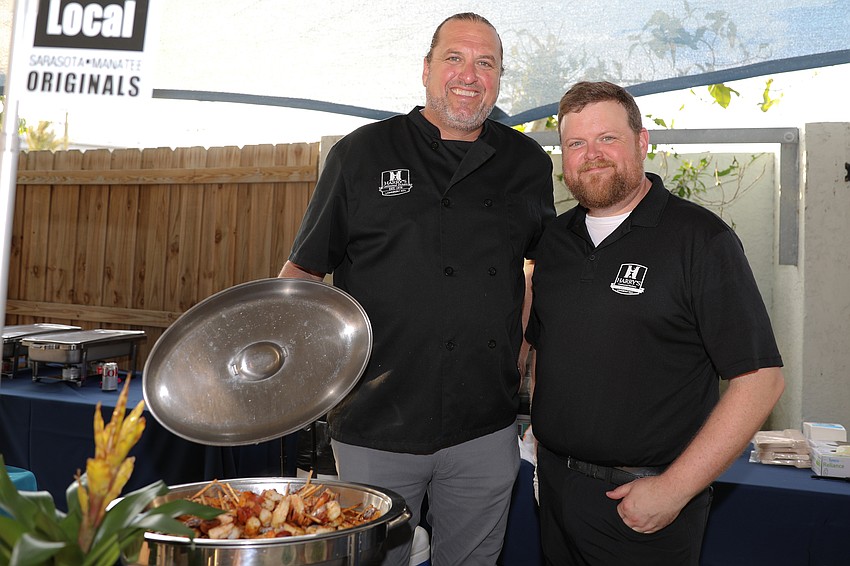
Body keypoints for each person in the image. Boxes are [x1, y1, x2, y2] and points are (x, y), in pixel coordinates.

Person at [278, 12, 555, 566]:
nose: (469, 74)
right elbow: (301, 277)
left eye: (486, 63)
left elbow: (536, 270)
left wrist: (519, 355)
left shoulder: (527, 163)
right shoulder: (360, 155)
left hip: (485, 428)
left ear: (500, 78)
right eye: (454, 58)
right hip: (375, 424)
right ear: (426, 70)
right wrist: (294, 379)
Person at [526, 81, 785, 566]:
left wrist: (673, 489)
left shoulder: (702, 240)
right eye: (576, 144)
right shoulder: (553, 243)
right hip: (556, 492)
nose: (592, 154)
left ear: (643, 141)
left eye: (608, 138)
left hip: (643, 503)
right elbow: (547, 348)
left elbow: (761, 381)